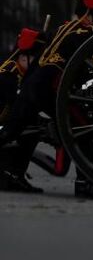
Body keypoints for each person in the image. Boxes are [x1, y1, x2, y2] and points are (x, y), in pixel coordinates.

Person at [0, 0, 93, 197]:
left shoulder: (64, 28)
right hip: (49, 91)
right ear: (90, 14)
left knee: (9, 133)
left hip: (33, 88)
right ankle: (86, 181)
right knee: (85, 128)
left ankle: (11, 174)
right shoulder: (85, 32)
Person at [0, 27, 48, 192]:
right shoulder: (9, 75)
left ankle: (14, 174)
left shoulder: (19, 72)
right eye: (35, 59)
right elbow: (14, 109)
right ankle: (11, 175)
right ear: (23, 57)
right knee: (28, 129)